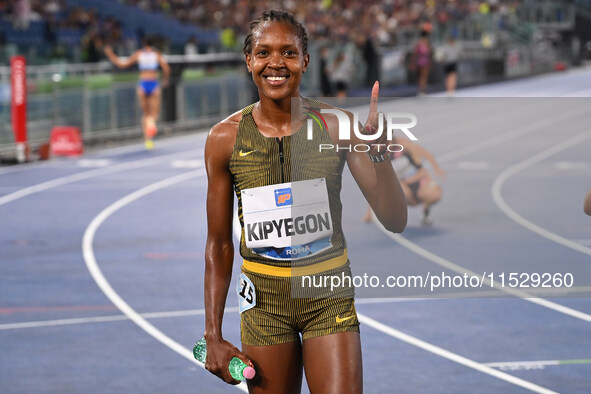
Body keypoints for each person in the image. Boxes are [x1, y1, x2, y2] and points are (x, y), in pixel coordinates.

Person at [203, 10, 407, 394]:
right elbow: (218, 243)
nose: (276, 63)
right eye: (264, 53)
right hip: (264, 305)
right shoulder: (223, 139)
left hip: (327, 296)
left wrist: (382, 158)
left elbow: (395, 220)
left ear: (305, 61)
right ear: (249, 61)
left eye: (289, 53)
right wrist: (212, 333)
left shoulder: (337, 125)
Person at [104, 36, 170, 150]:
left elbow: (122, 64)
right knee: (154, 114)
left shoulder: (139, 54)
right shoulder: (156, 54)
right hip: (153, 83)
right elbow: (166, 68)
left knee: (145, 113)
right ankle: (151, 127)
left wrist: (111, 54)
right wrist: (165, 80)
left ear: (144, 43)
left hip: (143, 84)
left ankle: (147, 140)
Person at [363, 137, 445, 225]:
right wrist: (369, 211)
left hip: (418, 181)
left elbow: (423, 156)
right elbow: (376, 184)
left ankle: (426, 208)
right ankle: (395, 216)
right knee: (392, 188)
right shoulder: (379, 156)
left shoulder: (404, 146)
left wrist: (436, 167)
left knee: (434, 194)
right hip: (404, 189)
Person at [411, 29, 432, 96]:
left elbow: (415, 53)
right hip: (425, 61)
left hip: (419, 61)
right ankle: (423, 90)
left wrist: (413, 62)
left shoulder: (419, 43)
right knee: (424, 76)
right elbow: (429, 53)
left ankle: (421, 90)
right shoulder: (427, 43)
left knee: (420, 76)